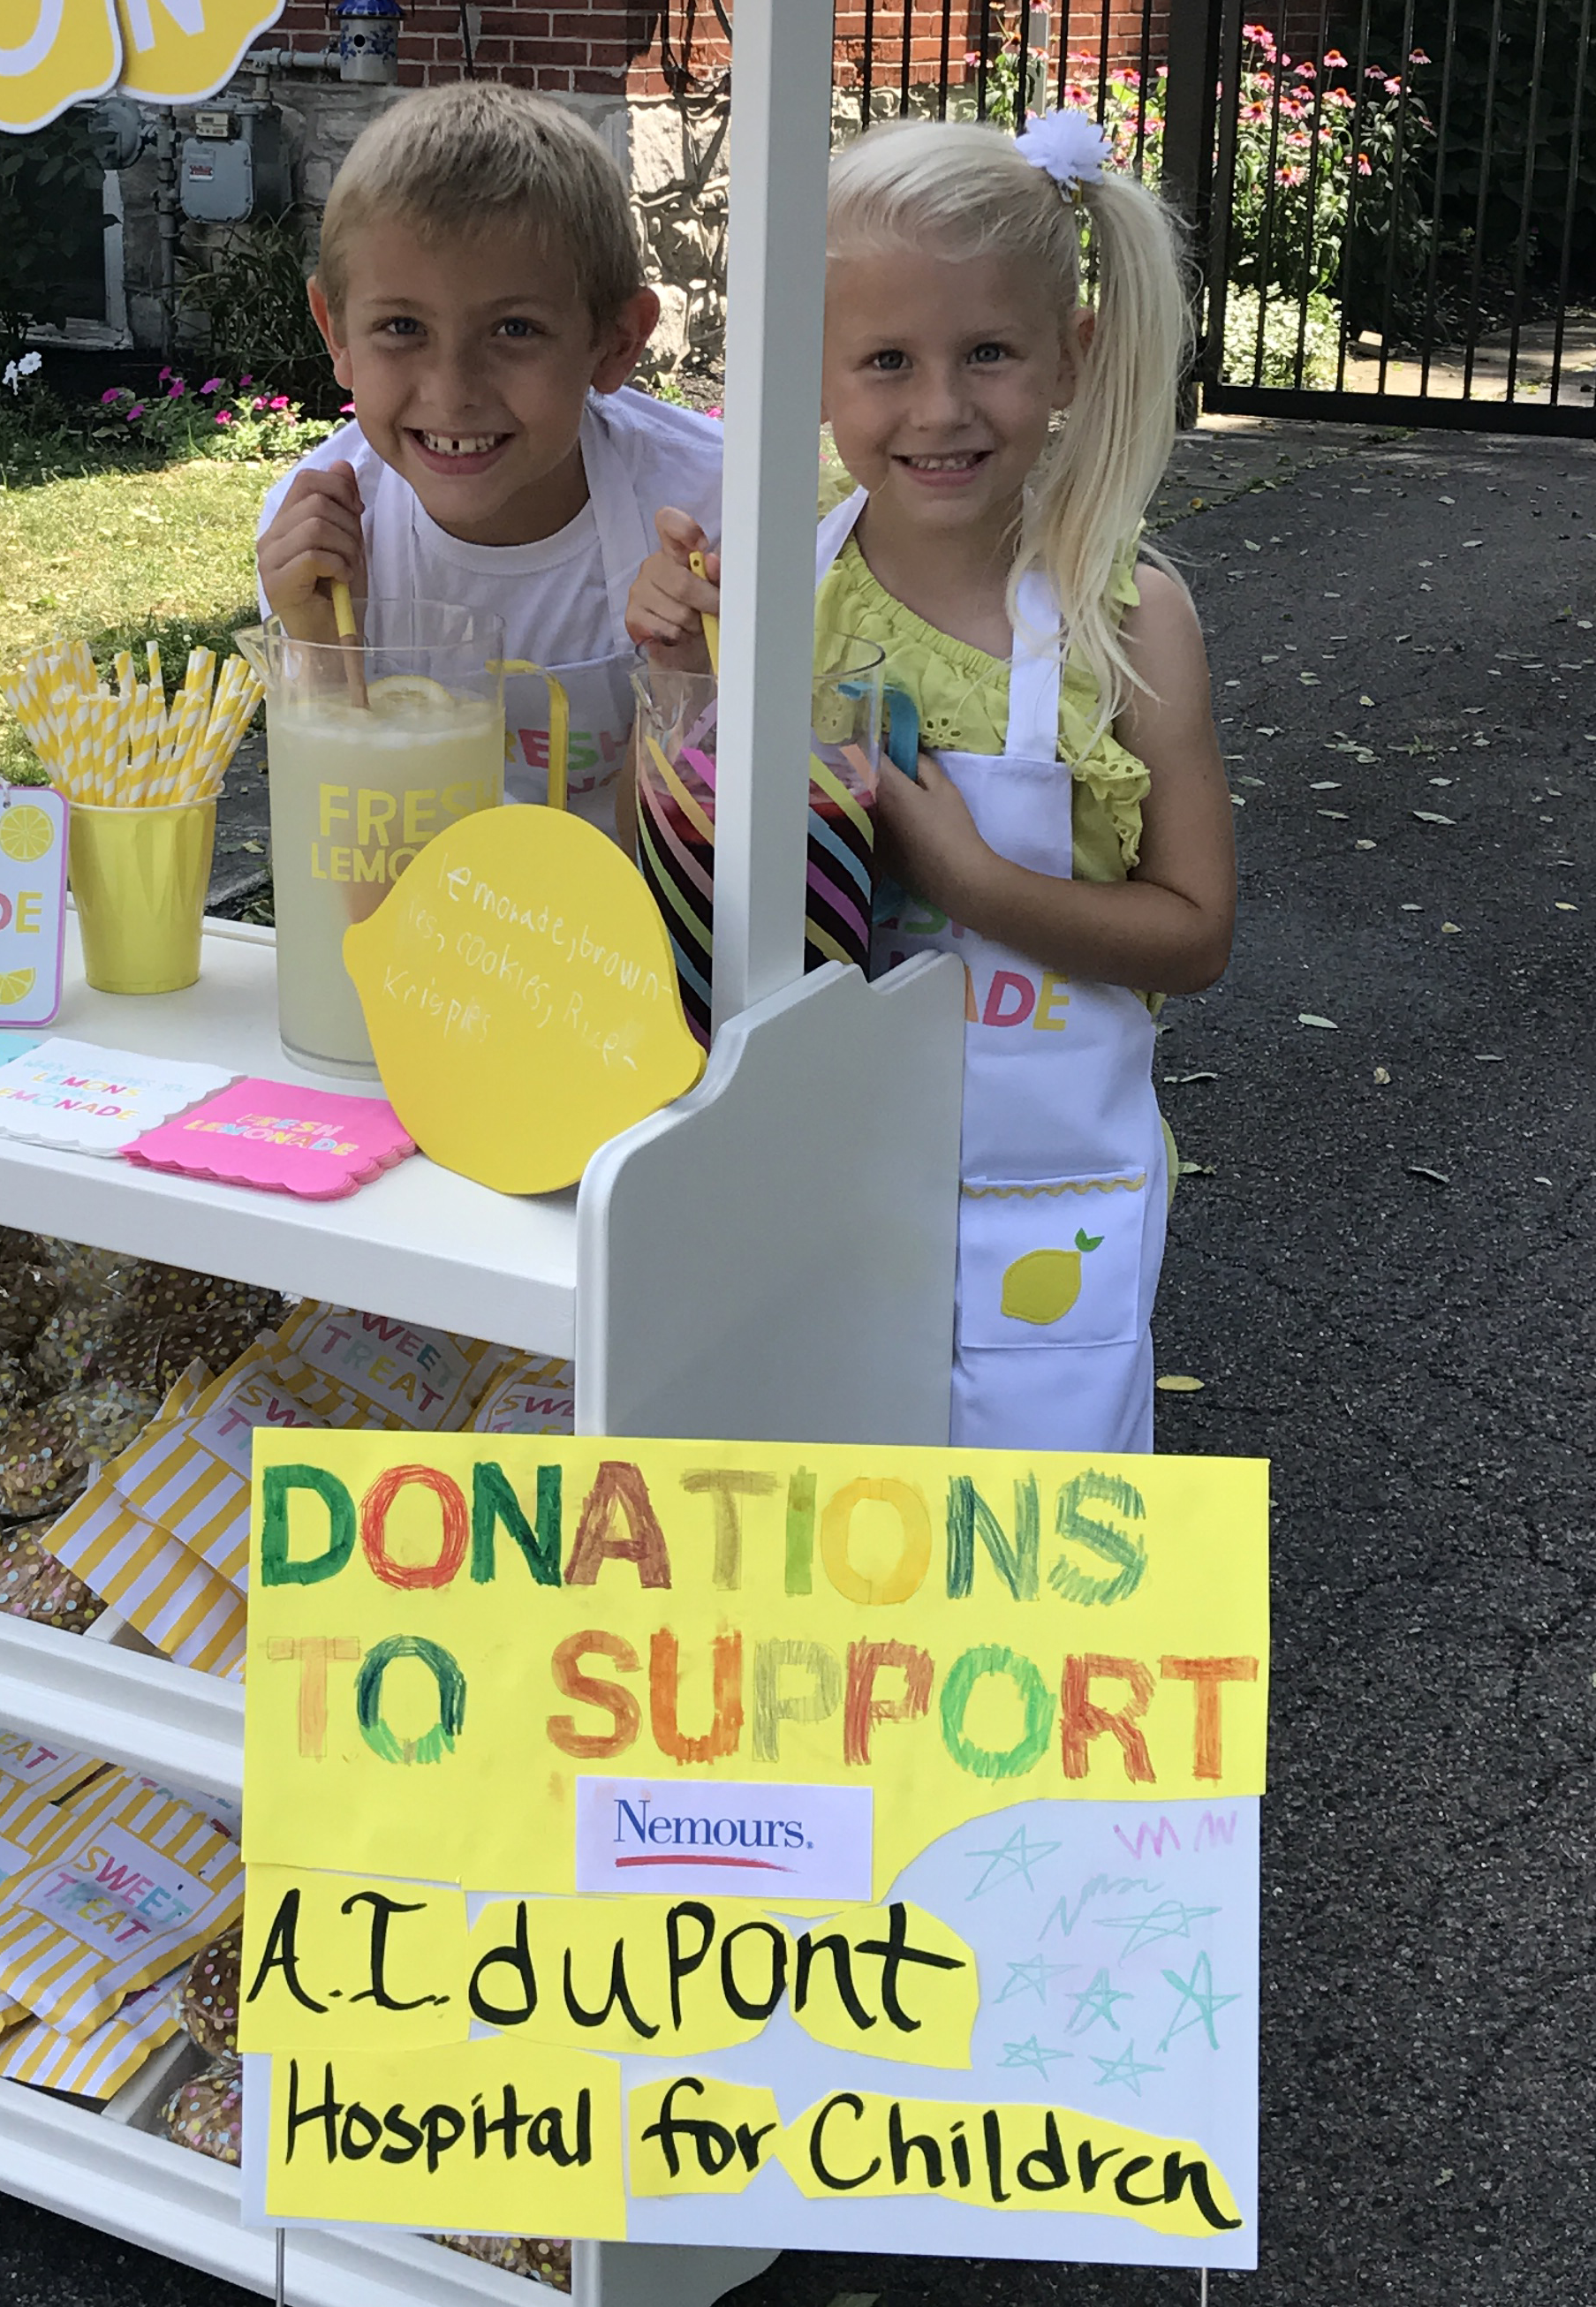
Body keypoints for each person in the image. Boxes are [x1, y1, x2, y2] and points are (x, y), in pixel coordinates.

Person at [627, 109, 1234, 1453]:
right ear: (819, 376)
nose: (941, 407)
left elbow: (1193, 933)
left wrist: (968, 880)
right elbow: (679, 876)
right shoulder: (776, 594)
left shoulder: (1127, 621)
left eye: (990, 355)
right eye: (887, 360)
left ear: (1072, 358)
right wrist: (679, 676)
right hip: (811, 1177)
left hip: (1045, 1196)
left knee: (1025, 1549)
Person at [255, 80, 722, 831]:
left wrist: (687, 683)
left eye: (514, 331)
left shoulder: (712, 508)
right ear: (335, 332)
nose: (453, 392)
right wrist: (316, 651)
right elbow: (337, 844)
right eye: (402, 327)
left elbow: (730, 852)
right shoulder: (316, 544)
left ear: (617, 341)